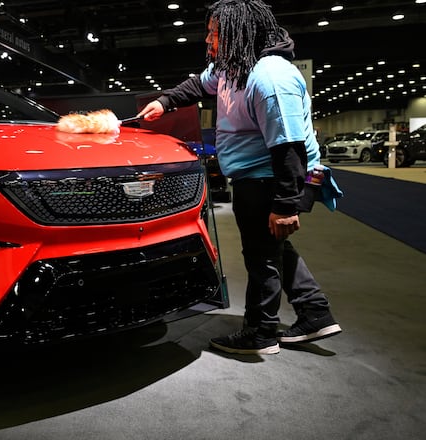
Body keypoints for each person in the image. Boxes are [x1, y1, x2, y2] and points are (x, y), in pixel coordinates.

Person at [137, 0, 341, 355]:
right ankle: (315, 312)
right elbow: (200, 85)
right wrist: (165, 102)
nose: (207, 41)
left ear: (238, 34)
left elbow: (289, 147)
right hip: (256, 176)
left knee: (260, 255)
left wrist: (285, 205)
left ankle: (260, 331)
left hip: (273, 178)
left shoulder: (269, 77)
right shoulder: (232, 68)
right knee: (272, 248)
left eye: (214, 34)